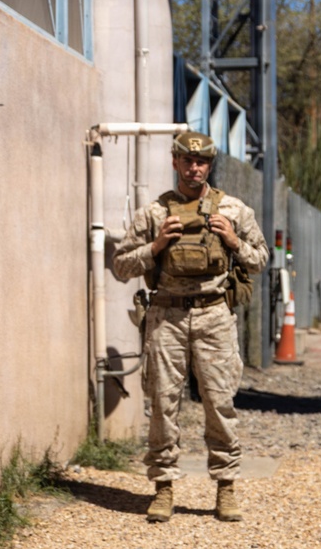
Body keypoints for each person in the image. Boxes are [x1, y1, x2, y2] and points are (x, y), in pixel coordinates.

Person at [113, 131, 269, 523]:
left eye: (201, 162)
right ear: (175, 162)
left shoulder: (233, 210)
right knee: (163, 404)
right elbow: (120, 267)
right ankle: (164, 487)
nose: (194, 167)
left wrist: (233, 241)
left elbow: (261, 260)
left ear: (209, 165)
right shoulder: (153, 213)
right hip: (166, 317)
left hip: (215, 315)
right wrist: (155, 246)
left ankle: (226, 486)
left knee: (220, 402)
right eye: (186, 160)